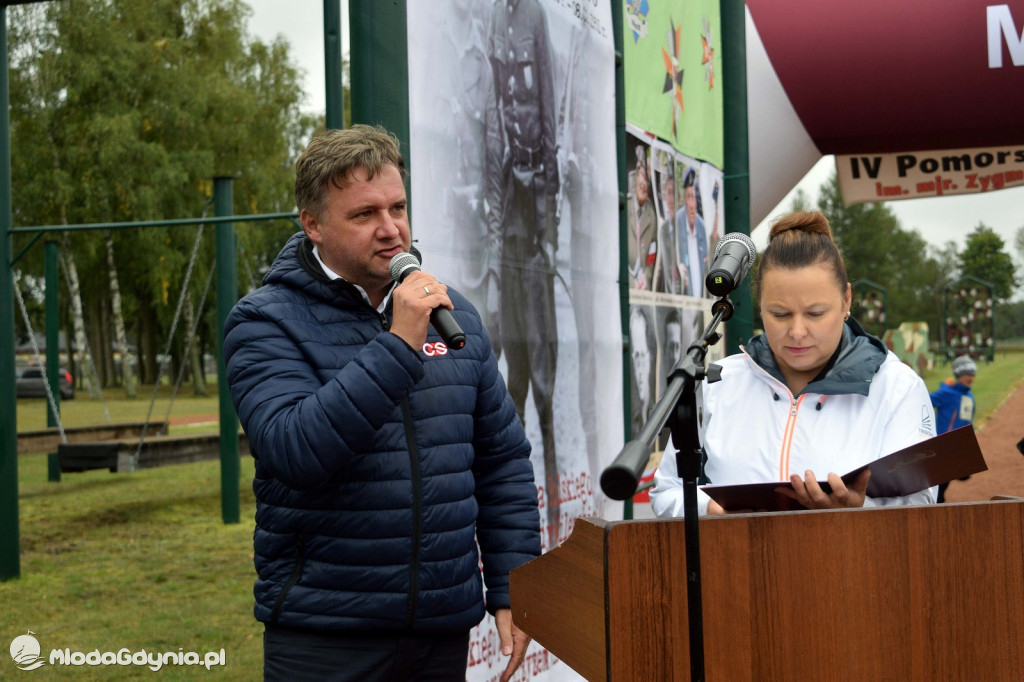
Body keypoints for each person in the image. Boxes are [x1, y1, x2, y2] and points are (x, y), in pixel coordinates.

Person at [222, 125, 541, 682]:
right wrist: (397, 343)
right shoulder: (265, 321)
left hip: (440, 630)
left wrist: (513, 585)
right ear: (313, 224)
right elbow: (295, 450)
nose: (391, 229)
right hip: (325, 634)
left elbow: (501, 461)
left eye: (398, 207)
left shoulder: (454, 315)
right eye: (365, 214)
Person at [650, 211, 937, 516]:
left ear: (846, 301)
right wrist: (712, 510)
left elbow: (921, 506)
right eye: (780, 314)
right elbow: (668, 492)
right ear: (760, 306)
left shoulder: (897, 387)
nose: (797, 332)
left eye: (815, 313)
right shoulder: (717, 384)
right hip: (734, 560)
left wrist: (859, 510)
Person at [487, 0, 561, 547]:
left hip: (536, 199)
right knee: (513, 369)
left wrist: (551, 215)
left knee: (542, 366)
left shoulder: (532, 13)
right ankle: (516, 494)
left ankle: (554, 485)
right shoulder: (496, 14)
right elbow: (497, 96)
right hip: (509, 198)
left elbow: (546, 101)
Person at [930, 354, 977, 502]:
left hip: (958, 444)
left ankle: (938, 502)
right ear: (958, 375)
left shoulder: (969, 396)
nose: (970, 377)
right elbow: (924, 402)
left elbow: (968, 419)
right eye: (966, 374)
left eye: (972, 374)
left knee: (952, 477)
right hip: (943, 444)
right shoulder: (946, 393)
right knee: (940, 482)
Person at [627, 144, 657, 290]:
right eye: (642, 175)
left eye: (648, 177)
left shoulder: (652, 215)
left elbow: (652, 253)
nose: (644, 183)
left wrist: (647, 275)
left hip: (643, 284)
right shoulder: (625, 206)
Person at [675, 167, 708, 298]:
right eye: (689, 197)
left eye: (694, 198)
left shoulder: (702, 226)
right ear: (683, 200)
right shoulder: (678, 221)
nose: (692, 204)